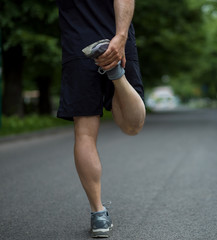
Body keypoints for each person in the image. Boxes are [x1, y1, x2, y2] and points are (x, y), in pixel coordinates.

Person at [56, 0, 146, 237]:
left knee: (84, 133)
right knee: (132, 126)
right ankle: (115, 72)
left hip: (78, 44)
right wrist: (121, 37)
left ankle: (98, 214)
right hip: (116, 37)